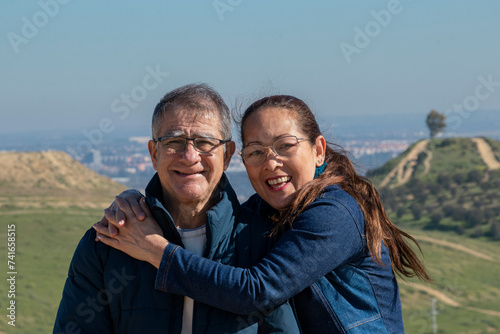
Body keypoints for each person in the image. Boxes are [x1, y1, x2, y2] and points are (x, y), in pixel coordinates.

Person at [95, 95, 431, 333]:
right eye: (256, 152)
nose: (271, 162)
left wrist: (155, 249)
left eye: (285, 146)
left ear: (318, 150)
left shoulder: (335, 211)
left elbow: (256, 291)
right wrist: (133, 202)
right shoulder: (266, 211)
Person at [53, 84, 300, 334]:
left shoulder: (265, 241)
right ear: (153, 153)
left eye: (205, 142)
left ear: (227, 155)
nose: (190, 156)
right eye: (174, 141)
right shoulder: (107, 243)